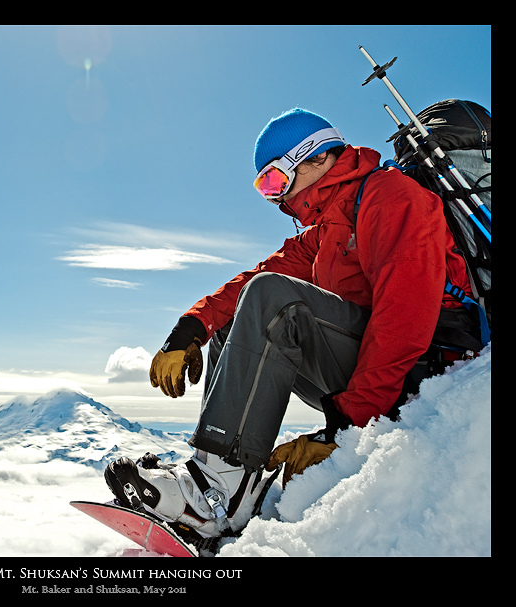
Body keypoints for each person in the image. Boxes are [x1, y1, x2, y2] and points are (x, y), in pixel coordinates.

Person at [105, 108, 484, 539]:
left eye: (274, 180)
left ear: (317, 158)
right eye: (264, 187)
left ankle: (218, 494)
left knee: (273, 297)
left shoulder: (391, 197)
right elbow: (252, 279)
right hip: (372, 367)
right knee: (241, 313)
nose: (274, 197)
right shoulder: (327, 228)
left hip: (426, 370)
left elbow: (405, 320)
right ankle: (226, 476)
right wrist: (191, 328)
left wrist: (344, 427)